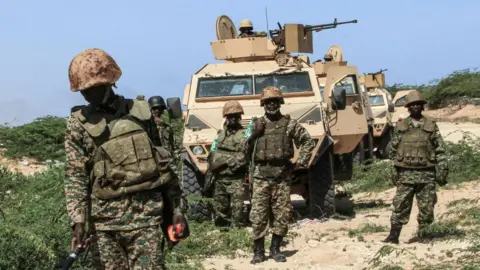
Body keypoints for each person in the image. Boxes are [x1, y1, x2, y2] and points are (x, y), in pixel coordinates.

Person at [65, 48, 188, 269]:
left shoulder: (141, 113)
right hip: (104, 224)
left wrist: (176, 209)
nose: (87, 95)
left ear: (109, 82)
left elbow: (163, 165)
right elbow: (75, 176)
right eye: (83, 90)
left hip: (146, 217)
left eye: (92, 88)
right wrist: (78, 221)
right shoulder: (78, 124)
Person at [245, 86, 315, 264]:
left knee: (282, 214)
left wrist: (301, 162)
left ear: (280, 103)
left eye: (275, 101)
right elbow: (243, 148)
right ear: (263, 104)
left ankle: (275, 249)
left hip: (282, 176)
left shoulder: (289, 124)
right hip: (261, 175)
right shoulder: (256, 124)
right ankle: (258, 251)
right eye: (268, 102)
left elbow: (307, 141)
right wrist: (255, 134)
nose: (272, 105)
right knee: (258, 216)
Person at [383, 90, 449, 244]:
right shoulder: (401, 126)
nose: (416, 107)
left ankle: (425, 235)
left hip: (427, 175)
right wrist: (393, 170)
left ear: (423, 106)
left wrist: (443, 168)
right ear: (408, 107)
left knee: (427, 208)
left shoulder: (431, 126)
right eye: (412, 105)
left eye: (418, 104)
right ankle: (393, 236)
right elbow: (393, 151)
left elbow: (440, 149)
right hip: (405, 174)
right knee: (400, 206)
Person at [207, 100, 248, 229]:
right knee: (220, 209)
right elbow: (213, 152)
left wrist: (224, 162)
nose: (233, 119)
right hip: (220, 178)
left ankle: (238, 236)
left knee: (238, 210)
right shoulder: (220, 134)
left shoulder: (245, 135)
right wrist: (212, 166)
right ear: (226, 118)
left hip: (236, 178)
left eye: (236, 116)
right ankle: (222, 235)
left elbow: (245, 156)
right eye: (230, 116)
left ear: (240, 117)